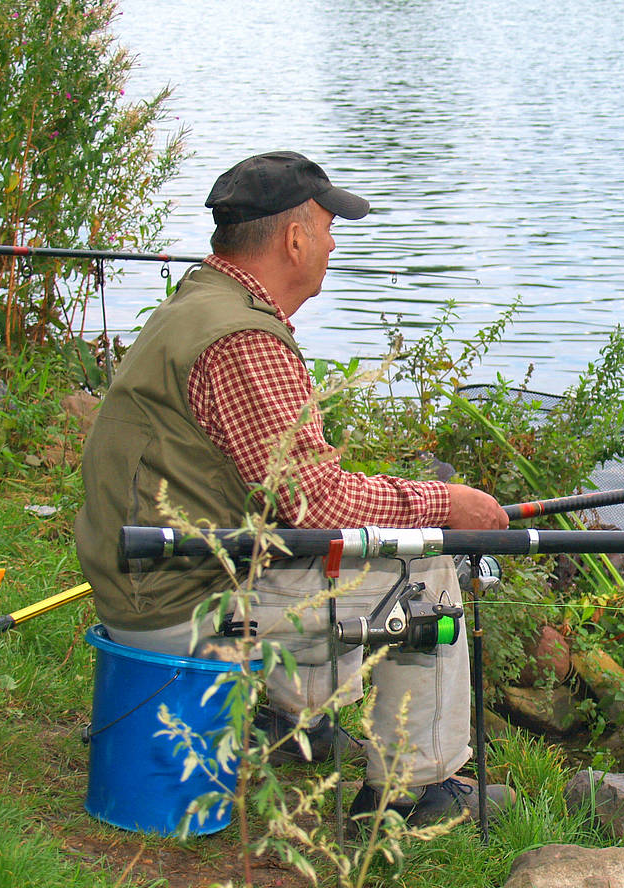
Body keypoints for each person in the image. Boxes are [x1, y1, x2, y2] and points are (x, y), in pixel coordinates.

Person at [75, 150, 511, 826]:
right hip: (181, 612)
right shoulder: (243, 339)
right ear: (295, 238)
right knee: (425, 560)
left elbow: (286, 498)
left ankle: (286, 719)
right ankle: (411, 790)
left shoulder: (200, 302)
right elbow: (320, 506)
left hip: (152, 579)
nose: (334, 244)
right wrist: (445, 504)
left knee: (361, 545)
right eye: (329, 228)